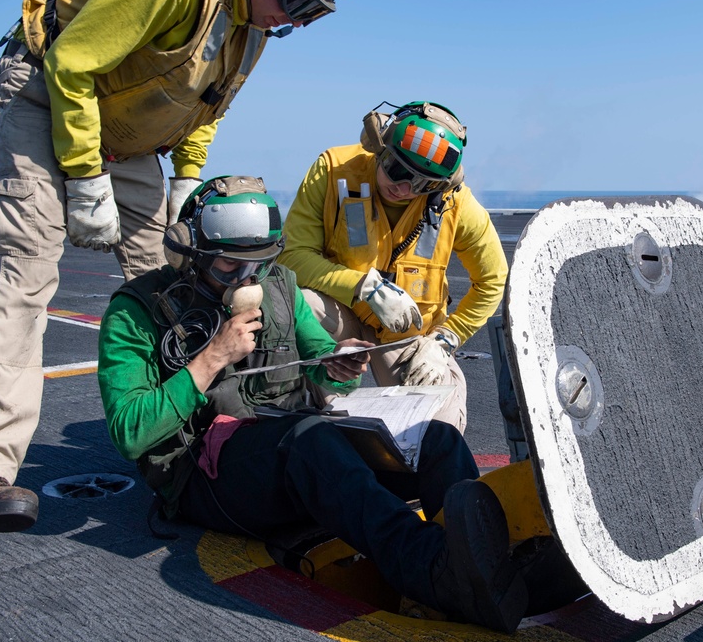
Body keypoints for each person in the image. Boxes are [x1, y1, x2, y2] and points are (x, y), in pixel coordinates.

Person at [0, 0, 351, 533]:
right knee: (22, 280)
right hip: (48, 97)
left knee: (179, 274)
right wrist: (83, 176)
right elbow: (72, 63)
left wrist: (186, 178)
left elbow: (210, 103)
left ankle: (184, 432)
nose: (293, 16)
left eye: (311, 13)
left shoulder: (255, 28)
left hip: (130, 135)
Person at [94, 175, 528, 633]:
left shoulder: (279, 285)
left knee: (435, 439)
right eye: (228, 267)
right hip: (204, 475)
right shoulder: (136, 311)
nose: (247, 279)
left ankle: (487, 562)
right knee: (311, 440)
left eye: (258, 264)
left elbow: (317, 354)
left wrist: (338, 363)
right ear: (188, 254)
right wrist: (211, 359)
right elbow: (129, 433)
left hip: (291, 452)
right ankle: (432, 569)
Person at [277, 101, 508, 432]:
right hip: (341, 312)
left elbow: (493, 279)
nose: (404, 189)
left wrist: (444, 340)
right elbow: (292, 257)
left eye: (423, 184)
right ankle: (317, 421)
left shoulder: (455, 203)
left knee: (439, 430)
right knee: (298, 306)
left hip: (410, 333)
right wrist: (363, 288)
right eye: (397, 170)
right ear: (377, 147)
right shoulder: (332, 171)